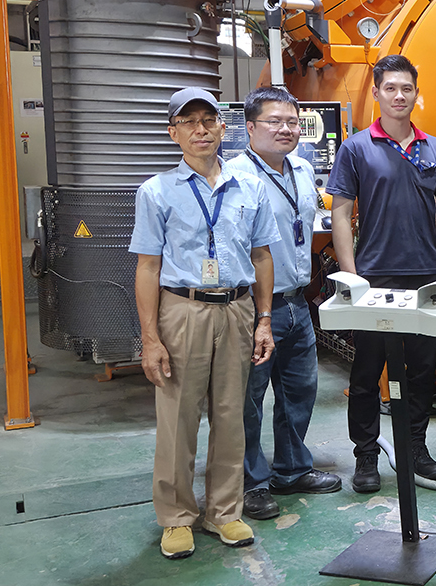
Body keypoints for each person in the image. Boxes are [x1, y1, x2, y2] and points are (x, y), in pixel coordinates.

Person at [129, 86, 278, 559]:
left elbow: (261, 255)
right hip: (182, 309)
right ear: (173, 133)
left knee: (232, 414)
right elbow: (148, 268)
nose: (201, 129)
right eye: (189, 122)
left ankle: (224, 511)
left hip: (236, 308)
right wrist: (150, 338)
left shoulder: (249, 187)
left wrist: (264, 318)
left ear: (223, 127)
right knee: (178, 416)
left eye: (209, 120)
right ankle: (176, 517)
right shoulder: (156, 192)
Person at [327, 54, 436, 493]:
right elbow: (342, 212)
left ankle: (416, 448)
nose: (399, 96)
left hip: (426, 278)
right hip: (373, 278)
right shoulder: (355, 148)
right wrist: (351, 278)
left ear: (416, 93)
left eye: (407, 88)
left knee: (422, 369)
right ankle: (366, 456)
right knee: (367, 373)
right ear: (377, 92)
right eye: (391, 88)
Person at [227, 87, 342, 521]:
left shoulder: (300, 167)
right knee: (249, 399)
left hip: (296, 302)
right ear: (250, 128)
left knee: (299, 392)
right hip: (256, 306)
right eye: (274, 121)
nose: (285, 129)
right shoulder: (234, 175)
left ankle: (292, 469)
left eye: (292, 122)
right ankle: (251, 481)